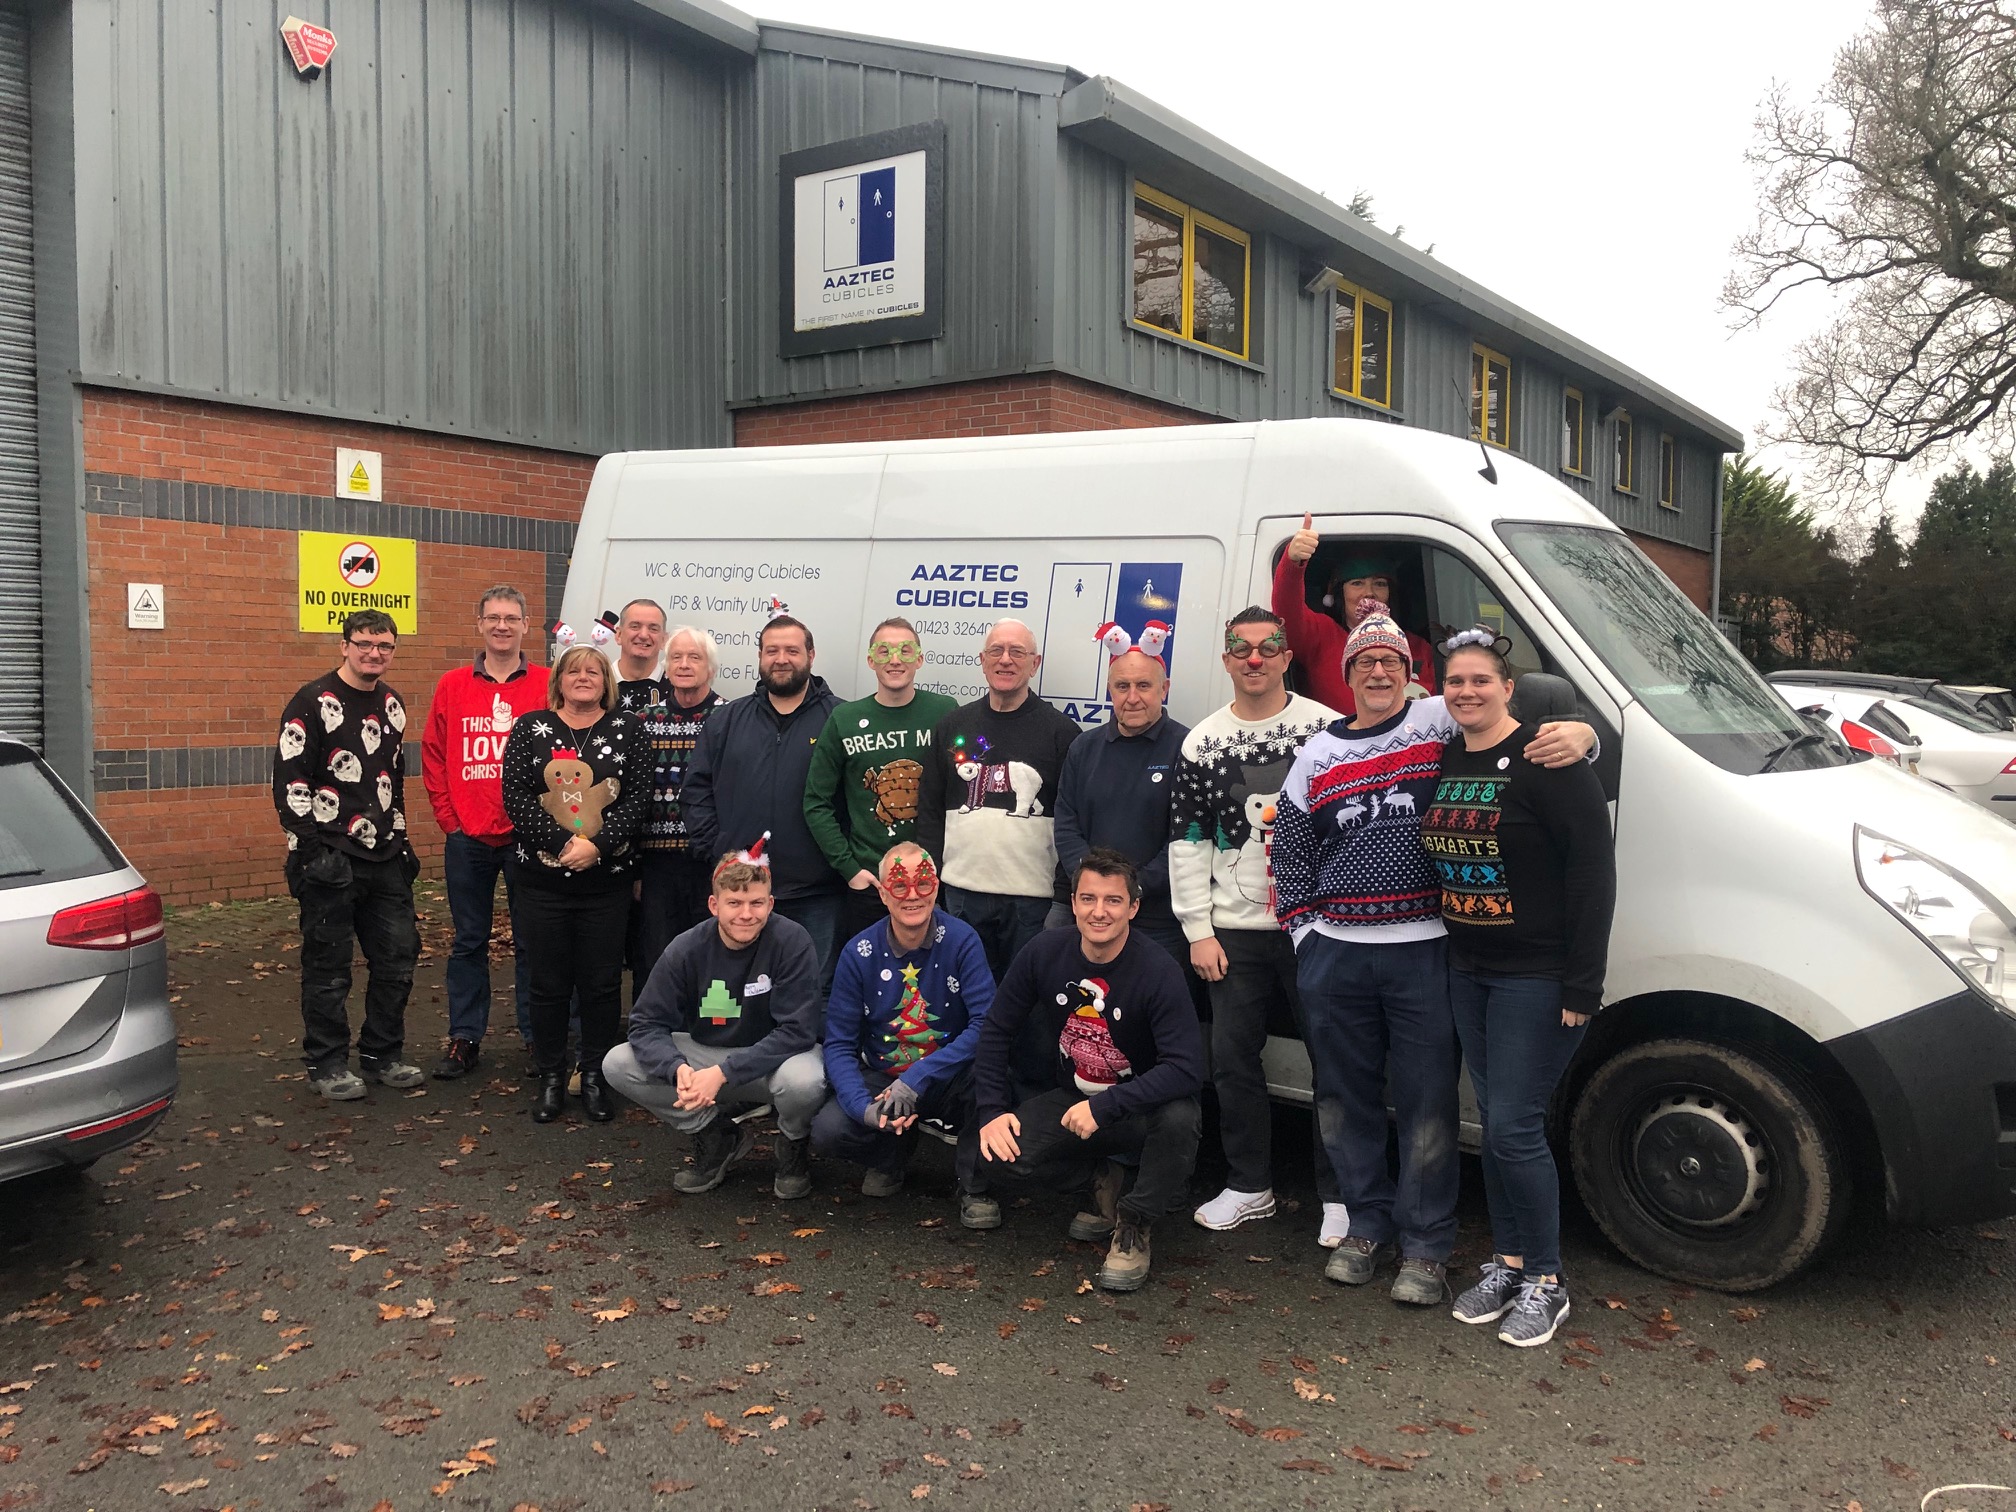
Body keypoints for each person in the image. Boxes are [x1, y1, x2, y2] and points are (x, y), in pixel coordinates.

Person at [1271, 614, 1594, 1304]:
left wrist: (1585, 733)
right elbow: (1289, 856)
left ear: (1410, 673)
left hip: (1427, 952)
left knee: (1427, 1106)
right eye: (1365, 664)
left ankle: (1425, 1246)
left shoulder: (1439, 719)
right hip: (1337, 956)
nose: (1378, 673)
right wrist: (1306, 938)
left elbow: (1518, 716)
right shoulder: (1314, 755)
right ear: (1346, 675)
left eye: (1390, 661)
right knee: (1344, 1098)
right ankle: (1365, 1226)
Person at [1424, 629, 1616, 1348]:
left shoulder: (1548, 758)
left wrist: (1583, 984)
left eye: (1481, 680)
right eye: (1455, 682)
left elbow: (1594, 876)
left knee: (1512, 1126)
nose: (1467, 691)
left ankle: (1547, 1279)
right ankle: (1507, 1262)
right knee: (1500, 1128)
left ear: (1509, 687)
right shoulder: (1446, 755)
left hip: (1538, 976)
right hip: (1467, 970)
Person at [1167, 608, 1347, 1241]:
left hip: (1315, 929)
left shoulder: (1326, 730)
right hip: (1232, 932)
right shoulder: (1201, 742)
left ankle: (1339, 1195)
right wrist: (1198, 930)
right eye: (1240, 649)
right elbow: (1188, 841)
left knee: (1335, 1061)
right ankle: (1250, 1185)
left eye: (1268, 646)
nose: (1254, 659)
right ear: (1225, 660)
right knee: (1232, 1060)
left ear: (1285, 655)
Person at [972, 849, 1205, 1292]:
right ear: (1074, 902)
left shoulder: (1158, 970)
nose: (1099, 911)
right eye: (1088, 898)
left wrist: (1109, 1106)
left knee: (1181, 1117)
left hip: (1140, 1107)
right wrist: (990, 1109)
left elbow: (1186, 1069)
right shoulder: (1044, 951)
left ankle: (1134, 1226)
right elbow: (996, 1029)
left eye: (1113, 900)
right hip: (1074, 1099)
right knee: (997, 1156)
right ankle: (1103, 1184)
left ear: (1133, 907)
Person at [601, 844, 828, 1200]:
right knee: (618, 1062)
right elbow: (645, 1023)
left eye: (756, 903)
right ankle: (716, 1134)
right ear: (714, 905)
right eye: (734, 903)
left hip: (773, 1062)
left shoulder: (791, 941)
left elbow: (798, 1031)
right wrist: (677, 1069)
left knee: (806, 1080)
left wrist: (723, 1074)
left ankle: (793, 1145)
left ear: (770, 904)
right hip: (706, 1055)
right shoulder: (686, 948)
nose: (746, 914)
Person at [273, 609, 423, 1101]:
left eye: (384, 646)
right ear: (344, 645)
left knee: (398, 959)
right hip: (330, 856)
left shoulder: (394, 705)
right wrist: (312, 850)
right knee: (328, 968)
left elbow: (392, 781)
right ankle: (327, 1061)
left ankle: (383, 1053)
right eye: (364, 643)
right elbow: (291, 780)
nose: (374, 653)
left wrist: (402, 842)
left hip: (384, 856)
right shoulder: (312, 701)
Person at [499, 644, 647, 1124]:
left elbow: (638, 798)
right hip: (543, 882)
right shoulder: (529, 729)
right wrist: (568, 844)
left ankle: (596, 1076)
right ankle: (550, 1075)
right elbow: (516, 796)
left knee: (602, 985)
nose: (583, 678)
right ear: (559, 679)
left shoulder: (628, 729)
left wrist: (597, 847)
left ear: (606, 680)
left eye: (593, 672)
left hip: (606, 884)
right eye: (573, 671)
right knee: (547, 984)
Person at [811, 842, 996, 1222]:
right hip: (883, 1077)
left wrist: (918, 1078)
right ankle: (891, 1153)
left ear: (937, 885)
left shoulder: (963, 941)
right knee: (829, 1130)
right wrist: (863, 1110)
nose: (912, 895)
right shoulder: (858, 952)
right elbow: (840, 1044)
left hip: (947, 1074)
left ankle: (974, 1183)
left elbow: (985, 1024)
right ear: (882, 893)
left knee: (990, 1082)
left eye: (923, 883)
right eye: (899, 885)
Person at [421, 586, 550, 1080]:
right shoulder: (452, 684)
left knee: (532, 941)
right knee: (468, 942)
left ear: (525, 624)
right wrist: (449, 819)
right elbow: (433, 754)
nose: (502, 625)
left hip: (530, 837)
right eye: (493, 617)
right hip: (468, 837)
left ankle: (538, 1036)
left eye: (511, 618)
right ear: (479, 624)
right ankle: (465, 1038)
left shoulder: (544, 682)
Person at [916, 618, 1080, 985]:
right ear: (982, 659)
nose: (1006, 660)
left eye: (1017, 652)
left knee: (1026, 1011)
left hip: (1031, 904)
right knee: (961, 1002)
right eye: (996, 651)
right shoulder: (953, 726)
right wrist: (933, 886)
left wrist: (1060, 894)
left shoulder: (1062, 733)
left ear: (1034, 663)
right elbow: (928, 812)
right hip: (960, 896)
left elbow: (1075, 820)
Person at [685, 614, 844, 989]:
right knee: (740, 992)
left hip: (816, 893)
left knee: (811, 992)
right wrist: (718, 849)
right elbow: (696, 791)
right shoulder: (726, 719)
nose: (781, 659)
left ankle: (806, 1051)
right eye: (772, 650)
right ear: (759, 657)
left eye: (792, 650)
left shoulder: (839, 719)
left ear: (811, 655)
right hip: (742, 892)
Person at [804, 618, 959, 945]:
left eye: (905, 650)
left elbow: (961, 791)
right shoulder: (844, 720)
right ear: (870, 659)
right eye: (884, 650)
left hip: (932, 883)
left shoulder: (945, 712)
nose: (894, 659)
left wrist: (944, 865)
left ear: (919, 658)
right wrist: (849, 869)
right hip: (871, 885)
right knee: (868, 983)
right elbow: (816, 802)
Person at [1051, 637, 1190, 964]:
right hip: (1090, 917)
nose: (1132, 698)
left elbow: (1187, 836)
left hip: (1160, 922)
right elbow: (1066, 825)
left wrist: (1130, 889)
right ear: (1110, 690)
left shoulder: (1187, 749)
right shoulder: (1084, 748)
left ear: (1164, 688)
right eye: (1122, 686)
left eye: (1143, 685)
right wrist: (1097, 890)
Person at [620, 612, 726, 996]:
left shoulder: (730, 718)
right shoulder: (642, 722)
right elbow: (628, 799)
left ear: (710, 668)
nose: (684, 665)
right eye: (677, 657)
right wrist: (634, 867)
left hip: (711, 861)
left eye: (694, 657)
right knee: (655, 958)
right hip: (656, 865)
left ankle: (705, 1036)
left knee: (710, 954)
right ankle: (649, 1036)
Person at [1272, 517, 1437, 715]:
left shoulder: (1418, 648)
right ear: (1339, 594)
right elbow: (1287, 612)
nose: (1369, 592)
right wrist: (1292, 563)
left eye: (1380, 584)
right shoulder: (1323, 636)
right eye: (1357, 583)